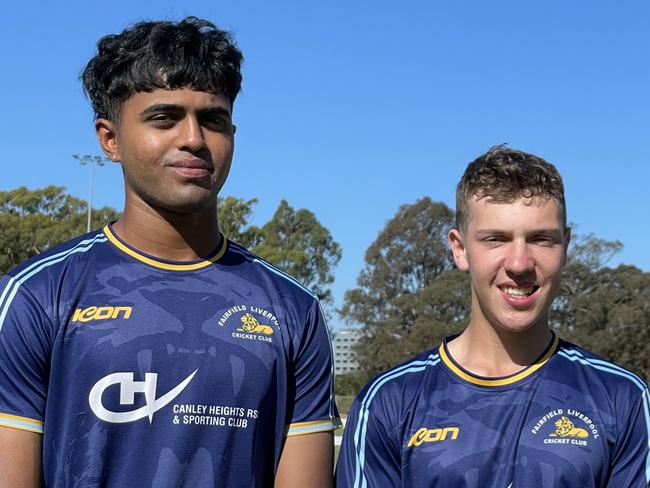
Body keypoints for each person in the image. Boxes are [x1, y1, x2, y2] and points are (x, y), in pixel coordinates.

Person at [0, 17, 340, 488]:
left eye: (213, 119)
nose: (194, 139)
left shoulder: (293, 310)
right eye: (164, 117)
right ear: (110, 139)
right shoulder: (36, 296)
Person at [336, 146, 650, 487]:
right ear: (460, 249)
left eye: (541, 239)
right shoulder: (389, 402)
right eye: (496, 239)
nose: (519, 263)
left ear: (565, 247)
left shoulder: (623, 400)